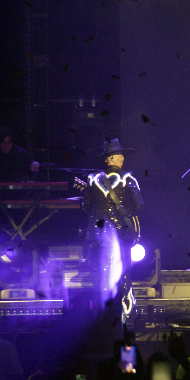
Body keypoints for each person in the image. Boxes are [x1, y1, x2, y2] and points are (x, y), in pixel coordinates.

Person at [82, 138, 144, 323]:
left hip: (99, 232)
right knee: (124, 271)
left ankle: (103, 314)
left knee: (103, 271)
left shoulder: (92, 180)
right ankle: (127, 313)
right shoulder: (128, 179)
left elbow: (86, 207)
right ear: (120, 159)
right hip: (122, 232)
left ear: (106, 160)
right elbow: (140, 206)